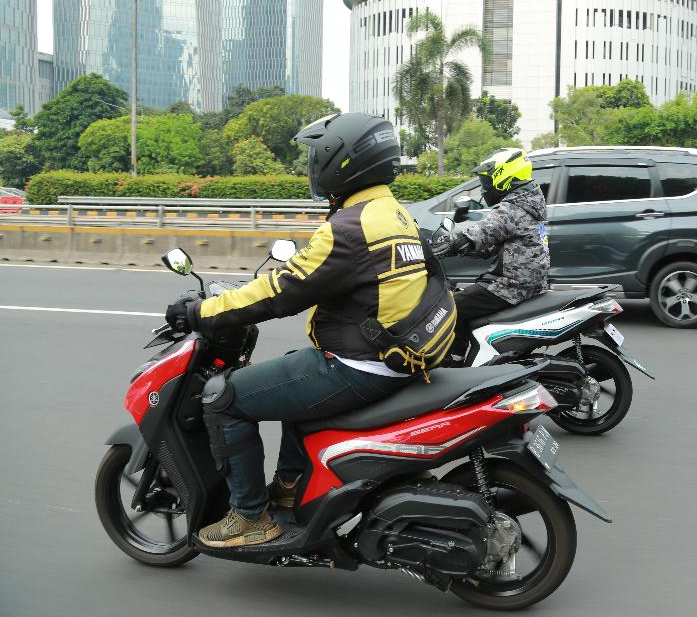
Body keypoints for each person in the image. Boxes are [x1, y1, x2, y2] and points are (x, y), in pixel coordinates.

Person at [165, 113, 449, 548]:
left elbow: (281, 291)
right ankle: (292, 485)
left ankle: (249, 516)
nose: (312, 167)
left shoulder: (350, 228)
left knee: (224, 398)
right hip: (399, 356)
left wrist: (203, 311)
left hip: (359, 365)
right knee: (293, 383)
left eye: (318, 157)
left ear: (345, 162)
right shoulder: (395, 214)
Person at [446, 148, 549, 356]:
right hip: (526, 281)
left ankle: (453, 363)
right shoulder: (528, 204)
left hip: (511, 285)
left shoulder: (512, 209)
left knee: (451, 309)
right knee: (464, 297)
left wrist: (449, 243)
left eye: (487, 180)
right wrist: (466, 249)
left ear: (503, 178)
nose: (485, 188)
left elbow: (481, 232)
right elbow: (494, 243)